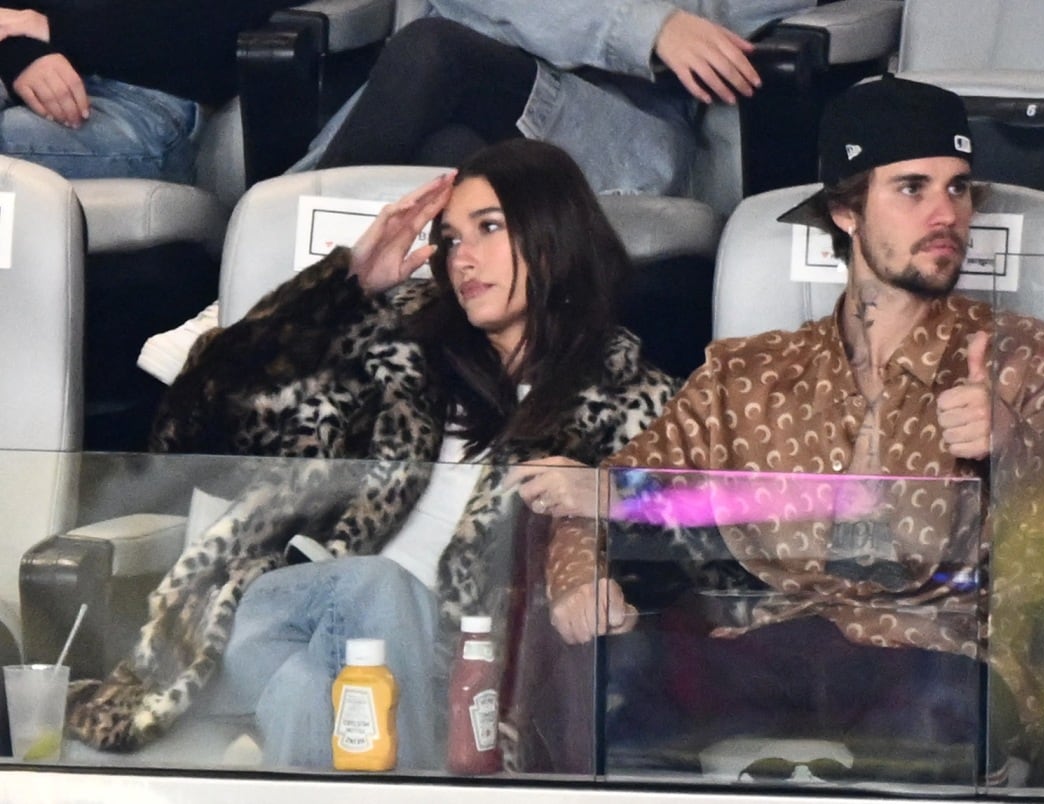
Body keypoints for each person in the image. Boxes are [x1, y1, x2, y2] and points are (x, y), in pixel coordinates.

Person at [541, 75, 1044, 780]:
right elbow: (599, 497)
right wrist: (579, 581)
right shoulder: (750, 373)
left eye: (959, 187)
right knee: (623, 678)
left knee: (938, 710)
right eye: (913, 188)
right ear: (846, 214)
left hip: (938, 656)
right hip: (770, 644)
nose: (945, 213)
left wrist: (1011, 446)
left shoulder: (1020, 356)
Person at [65, 139, 680, 768]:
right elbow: (196, 430)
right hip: (283, 608)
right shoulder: (397, 338)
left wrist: (616, 494)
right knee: (378, 585)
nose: (462, 257)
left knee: (310, 696)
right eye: (449, 239)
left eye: (488, 228)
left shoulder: (625, 394)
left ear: (555, 232)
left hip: (447, 674)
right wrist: (348, 286)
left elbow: (722, 542)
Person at [308, 0, 817, 195]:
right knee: (450, 152)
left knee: (434, 53)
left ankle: (288, 297)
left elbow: (720, 28)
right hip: (442, 101)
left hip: (612, 127)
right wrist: (645, 24)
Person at [0, 0, 292, 181]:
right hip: (33, 69)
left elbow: (215, 15)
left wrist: (58, 30)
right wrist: (24, 54)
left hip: (154, 100)